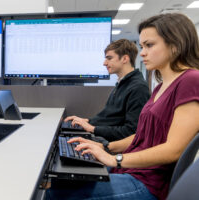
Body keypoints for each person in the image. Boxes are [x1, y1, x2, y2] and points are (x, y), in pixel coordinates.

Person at [46, 13, 199, 200]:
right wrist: (105, 147)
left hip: (148, 182)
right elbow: (143, 136)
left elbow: (174, 149)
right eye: (142, 46)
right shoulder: (160, 86)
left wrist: (114, 159)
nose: (142, 53)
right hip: (133, 169)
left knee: (58, 192)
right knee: (62, 179)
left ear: (175, 45)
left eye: (149, 45)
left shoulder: (191, 80)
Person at [64, 39, 150, 142]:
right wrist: (88, 121)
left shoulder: (138, 88)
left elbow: (131, 132)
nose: (105, 63)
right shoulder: (123, 83)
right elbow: (111, 118)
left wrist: (92, 129)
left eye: (109, 58)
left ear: (125, 59)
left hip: (116, 147)